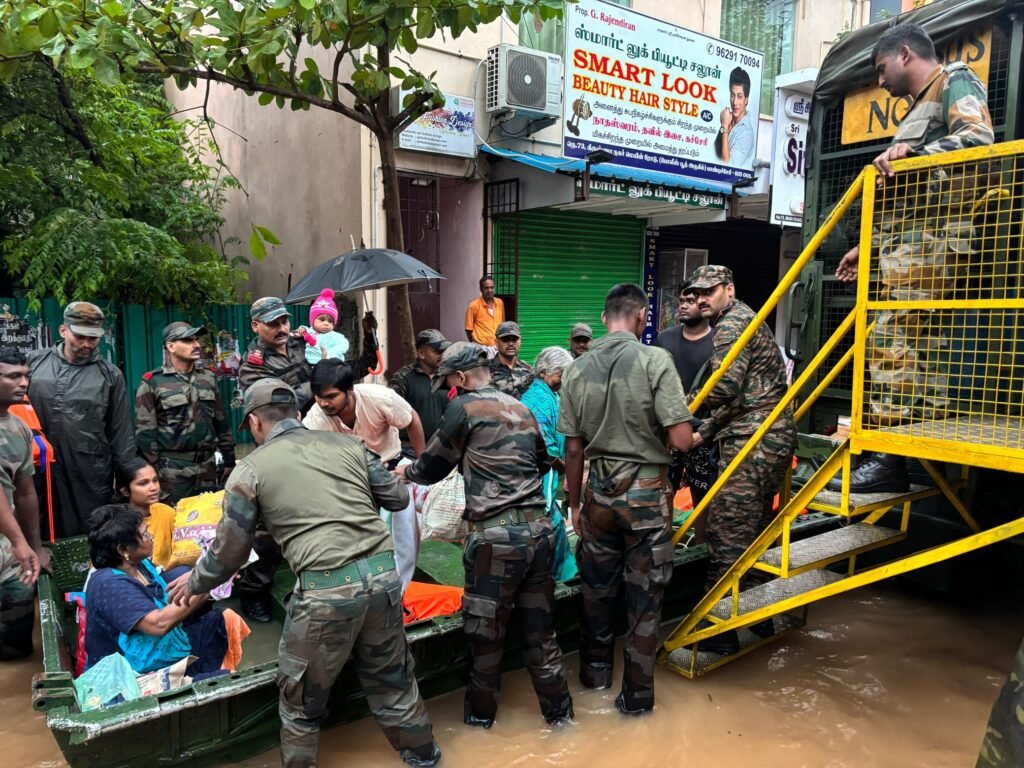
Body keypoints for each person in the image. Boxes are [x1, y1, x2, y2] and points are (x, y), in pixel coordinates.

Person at [167, 378, 440, 768]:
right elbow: (398, 498)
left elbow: (230, 554)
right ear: (298, 414)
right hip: (383, 582)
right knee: (395, 687)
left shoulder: (249, 471)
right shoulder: (350, 446)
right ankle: (427, 758)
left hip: (325, 595)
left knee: (300, 707)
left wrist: (193, 583)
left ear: (254, 424)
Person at [830, 22, 994, 493]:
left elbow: (978, 140)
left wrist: (914, 153)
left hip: (938, 239)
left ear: (905, 54)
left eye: (881, 69)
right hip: (918, 240)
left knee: (890, 334)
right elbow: (912, 197)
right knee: (925, 346)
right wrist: (871, 246)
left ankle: (889, 456)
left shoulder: (954, 79)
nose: (880, 82)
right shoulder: (919, 107)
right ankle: (918, 446)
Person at [398, 342, 573, 729]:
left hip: (496, 542)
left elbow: (431, 468)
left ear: (460, 378)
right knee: (542, 637)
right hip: (539, 532)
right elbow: (545, 461)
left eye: (449, 382)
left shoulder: (464, 407)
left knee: (485, 640)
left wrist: (403, 473)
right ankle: (561, 719)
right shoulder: (523, 407)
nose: (448, 389)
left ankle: (480, 726)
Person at [558, 283, 694, 715]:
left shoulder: (578, 368)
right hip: (646, 497)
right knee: (644, 600)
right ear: (641, 318)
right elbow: (681, 439)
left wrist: (574, 505)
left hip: (596, 495)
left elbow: (573, 448)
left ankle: (594, 677)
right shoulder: (656, 360)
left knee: (596, 591)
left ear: (603, 319)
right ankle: (635, 700)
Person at [687, 265, 797, 654]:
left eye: (710, 291)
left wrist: (680, 410)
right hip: (772, 436)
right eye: (697, 293)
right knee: (755, 533)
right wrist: (704, 431)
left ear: (728, 290)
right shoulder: (746, 319)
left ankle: (719, 632)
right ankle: (760, 618)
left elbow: (724, 387)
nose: (702, 299)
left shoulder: (731, 325)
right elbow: (743, 395)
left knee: (727, 533)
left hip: (753, 442)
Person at [305, 360, 425, 588]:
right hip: (349, 477)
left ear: (349, 390)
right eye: (318, 396)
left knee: (403, 536)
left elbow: (412, 419)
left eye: (330, 396)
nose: (323, 403)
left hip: (391, 469)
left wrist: (421, 467)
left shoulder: (380, 397)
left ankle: (399, 589)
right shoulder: (315, 417)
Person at [27, 302, 136, 538]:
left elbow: (121, 432)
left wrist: (127, 479)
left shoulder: (109, 375)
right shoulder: (34, 364)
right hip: (36, 467)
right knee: (36, 525)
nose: (86, 344)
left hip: (88, 472)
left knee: (91, 530)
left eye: (93, 338)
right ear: (63, 330)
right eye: (80, 336)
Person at [84, 504, 230, 675]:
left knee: (224, 621)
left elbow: (168, 602)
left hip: (159, 648)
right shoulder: (109, 584)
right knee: (223, 679)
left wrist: (210, 582)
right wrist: (208, 583)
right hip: (129, 673)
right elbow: (159, 624)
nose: (151, 536)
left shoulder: (140, 565)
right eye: (145, 534)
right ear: (124, 549)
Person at [135, 322, 235, 505]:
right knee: (174, 522)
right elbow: (146, 432)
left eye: (196, 340)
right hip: (172, 471)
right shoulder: (153, 382)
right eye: (188, 340)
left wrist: (229, 460)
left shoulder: (209, 378)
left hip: (208, 468)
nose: (196, 345)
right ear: (170, 346)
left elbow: (221, 422)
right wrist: (152, 471)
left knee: (206, 523)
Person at [239, 297, 381, 413]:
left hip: (326, 426)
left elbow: (354, 370)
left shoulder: (303, 342)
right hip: (290, 435)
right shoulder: (252, 365)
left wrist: (370, 336)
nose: (282, 329)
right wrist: (322, 377)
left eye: (284, 322)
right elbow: (277, 405)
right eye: (273, 324)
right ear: (255, 326)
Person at [655, 282, 718, 523]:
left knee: (702, 494)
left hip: (703, 430)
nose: (683, 306)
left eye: (690, 301)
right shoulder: (665, 339)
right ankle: (666, 543)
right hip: (669, 428)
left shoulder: (718, 342)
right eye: (681, 301)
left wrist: (705, 430)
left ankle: (700, 549)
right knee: (664, 490)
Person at [0, 349, 44, 659]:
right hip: (12, 542)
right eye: (14, 376)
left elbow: (25, 492)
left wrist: (36, 546)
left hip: (10, 552)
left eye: (26, 375)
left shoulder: (20, 429)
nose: (23, 383)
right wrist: (20, 541)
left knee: (17, 650)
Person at [520, 347, 578, 582]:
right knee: (549, 520)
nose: (563, 380)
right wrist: (567, 467)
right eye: (560, 374)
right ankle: (561, 575)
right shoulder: (538, 400)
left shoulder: (550, 395)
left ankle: (564, 572)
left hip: (547, 474)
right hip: (541, 473)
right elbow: (545, 449)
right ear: (544, 372)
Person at [389, 329, 453, 454]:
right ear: (421, 354)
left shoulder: (450, 376)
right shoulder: (402, 378)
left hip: (443, 448)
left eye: (444, 351)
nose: (443, 356)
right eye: (437, 352)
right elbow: (391, 415)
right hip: (409, 449)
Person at [117, 458, 177, 570]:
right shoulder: (116, 523)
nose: (154, 488)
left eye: (155, 480)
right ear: (125, 491)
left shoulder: (165, 512)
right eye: (143, 483)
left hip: (168, 579)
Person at [715, 67, 755, 167]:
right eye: (732, 95)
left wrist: (724, 127)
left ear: (746, 100)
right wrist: (724, 126)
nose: (734, 102)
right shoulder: (729, 119)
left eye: (740, 96)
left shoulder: (746, 133)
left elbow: (727, 166)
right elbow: (715, 152)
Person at [301, 289, 350, 365]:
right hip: (311, 366)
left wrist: (328, 354)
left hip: (332, 367)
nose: (326, 323)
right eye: (322, 319)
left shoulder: (335, 336)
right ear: (312, 321)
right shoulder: (310, 332)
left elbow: (344, 345)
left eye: (330, 321)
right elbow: (306, 331)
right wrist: (302, 329)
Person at [489, 321, 535, 399]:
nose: (510, 343)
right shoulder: (485, 371)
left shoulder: (528, 369)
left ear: (520, 342)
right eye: (505, 339)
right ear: (496, 342)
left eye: (514, 339)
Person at [464, 275, 505, 351]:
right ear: (481, 289)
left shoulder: (500, 303)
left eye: (492, 287)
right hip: (480, 347)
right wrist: (475, 344)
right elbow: (468, 329)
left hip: (497, 347)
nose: (489, 290)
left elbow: (502, 324)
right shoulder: (473, 306)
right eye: (486, 288)